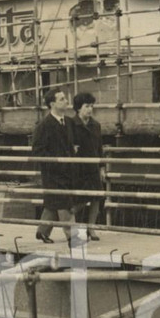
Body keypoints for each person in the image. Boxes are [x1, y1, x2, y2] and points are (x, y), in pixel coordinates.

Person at [31, 87, 77, 244]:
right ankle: (73, 235)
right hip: (53, 171)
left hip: (68, 170)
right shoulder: (44, 125)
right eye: (62, 99)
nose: (66, 101)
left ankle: (42, 231)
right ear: (52, 104)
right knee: (65, 202)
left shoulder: (68, 122)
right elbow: (37, 150)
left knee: (53, 202)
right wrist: (54, 161)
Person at [70, 92, 104, 241]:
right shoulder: (70, 124)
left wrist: (101, 166)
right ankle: (75, 228)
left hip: (93, 167)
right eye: (86, 106)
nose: (90, 109)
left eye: (91, 106)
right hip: (77, 168)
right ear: (78, 108)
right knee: (79, 200)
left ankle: (92, 227)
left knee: (97, 197)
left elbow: (100, 148)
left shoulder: (96, 125)